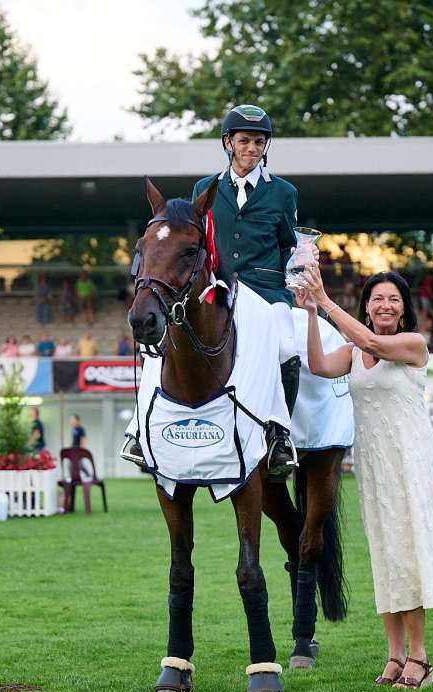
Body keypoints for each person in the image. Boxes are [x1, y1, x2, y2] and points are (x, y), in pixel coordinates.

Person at [296, 267, 433, 689]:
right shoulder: (354, 351)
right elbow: (317, 365)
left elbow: (372, 342)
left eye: (392, 298)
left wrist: (326, 299)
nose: (384, 305)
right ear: (367, 307)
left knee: (408, 554)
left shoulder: (411, 344)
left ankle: (420, 657)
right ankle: (393, 655)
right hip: (372, 466)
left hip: (409, 464)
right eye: (376, 299)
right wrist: (313, 313)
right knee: (386, 558)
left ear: (404, 307)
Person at [122, 103, 304, 476]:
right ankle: (139, 430)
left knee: (286, 348)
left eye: (258, 142)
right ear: (228, 142)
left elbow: (289, 244)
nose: (252, 149)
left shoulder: (283, 193)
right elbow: (196, 240)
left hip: (267, 290)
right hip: (220, 287)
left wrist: (299, 270)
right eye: (244, 141)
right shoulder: (204, 189)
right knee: (163, 346)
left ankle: (279, 435)